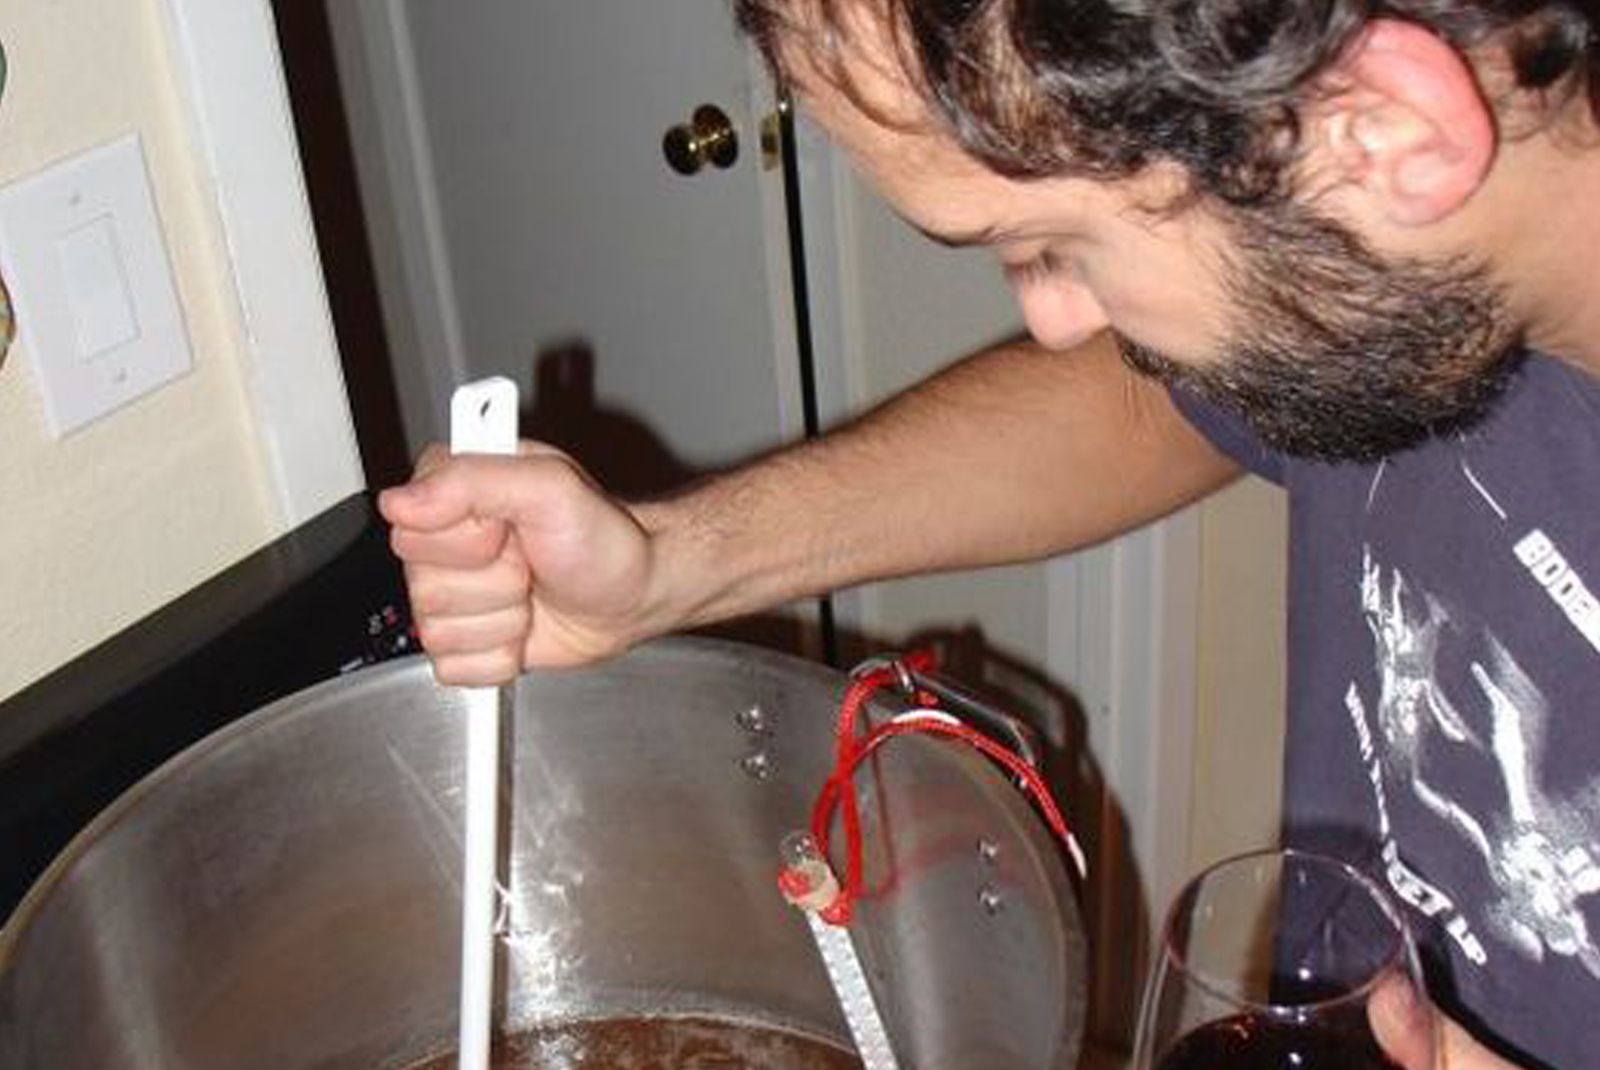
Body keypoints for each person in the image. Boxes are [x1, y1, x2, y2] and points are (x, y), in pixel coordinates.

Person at [379, 1, 1600, 1066]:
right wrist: (665, 563)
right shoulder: (1393, 278)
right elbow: (1168, 400)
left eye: (1055, 248)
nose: (1059, 321)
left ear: (1382, 130)